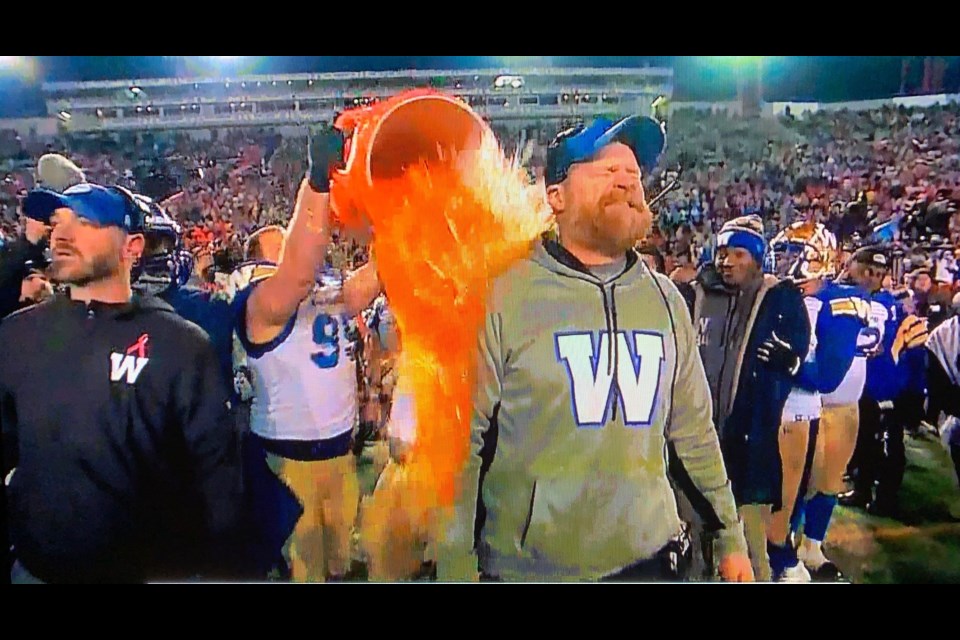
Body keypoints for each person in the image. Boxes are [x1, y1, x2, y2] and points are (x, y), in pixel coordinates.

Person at [439, 115, 752, 582]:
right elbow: (460, 449)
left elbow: (693, 435)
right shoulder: (500, 296)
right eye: (607, 170)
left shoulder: (666, 299)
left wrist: (729, 536)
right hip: (531, 569)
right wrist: (454, 566)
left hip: (651, 560)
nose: (628, 180)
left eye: (634, 173)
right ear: (556, 197)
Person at [1, 182, 242, 583]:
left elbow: (218, 483)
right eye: (57, 221)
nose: (61, 233)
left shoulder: (178, 344)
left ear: (132, 247)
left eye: (84, 221)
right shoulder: (16, 335)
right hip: (36, 571)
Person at [236, 128, 382, 581]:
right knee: (301, 572)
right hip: (286, 462)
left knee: (339, 567)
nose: (309, 250)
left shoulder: (324, 290)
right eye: (287, 246)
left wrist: (405, 215)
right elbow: (297, 275)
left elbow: (371, 278)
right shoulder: (261, 301)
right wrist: (318, 180)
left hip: (339, 454)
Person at [691, 215, 810, 581]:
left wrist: (790, 361)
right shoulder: (698, 293)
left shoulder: (781, 299)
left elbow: (802, 360)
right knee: (696, 545)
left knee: (749, 549)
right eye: (723, 253)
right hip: (698, 443)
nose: (727, 261)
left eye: (738, 253)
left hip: (751, 446)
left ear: (758, 259)